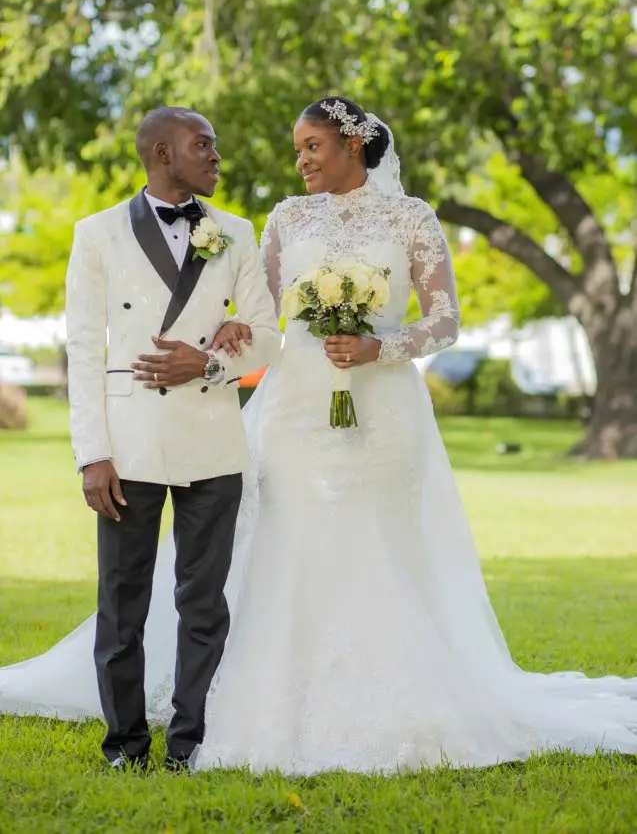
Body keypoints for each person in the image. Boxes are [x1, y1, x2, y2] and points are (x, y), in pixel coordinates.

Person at [1, 97, 636, 774]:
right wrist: (232, 332)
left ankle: (393, 694)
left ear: (352, 144)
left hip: (383, 409)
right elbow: (259, 315)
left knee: (378, 542)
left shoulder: (412, 218)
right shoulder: (283, 219)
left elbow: (445, 319)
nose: (301, 160)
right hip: (295, 409)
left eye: (312, 146)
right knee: (288, 543)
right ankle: (257, 697)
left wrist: (380, 347)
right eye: (297, 148)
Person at [54, 106, 279, 770]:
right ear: (161, 153)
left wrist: (207, 363)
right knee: (122, 604)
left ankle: (191, 741)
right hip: (128, 444)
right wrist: (92, 455)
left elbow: (268, 337)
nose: (216, 157)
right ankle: (125, 745)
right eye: (202, 145)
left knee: (203, 604)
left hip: (213, 440)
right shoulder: (95, 234)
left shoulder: (235, 232)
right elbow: (84, 352)